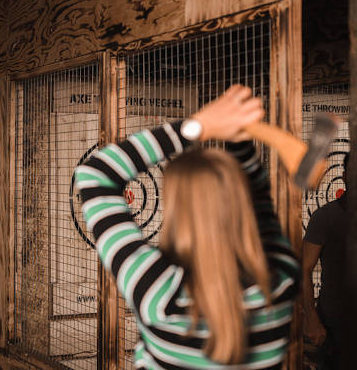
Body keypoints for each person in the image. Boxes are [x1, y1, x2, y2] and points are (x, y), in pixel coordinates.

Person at [74, 85, 300, 369]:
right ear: (241, 204)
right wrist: (238, 141)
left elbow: (97, 172)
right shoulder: (281, 283)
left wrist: (199, 127)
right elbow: (263, 213)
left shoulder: (156, 291)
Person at [302, 152, 350, 370]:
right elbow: (303, 270)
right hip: (334, 325)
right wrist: (311, 316)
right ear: (345, 176)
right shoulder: (326, 216)